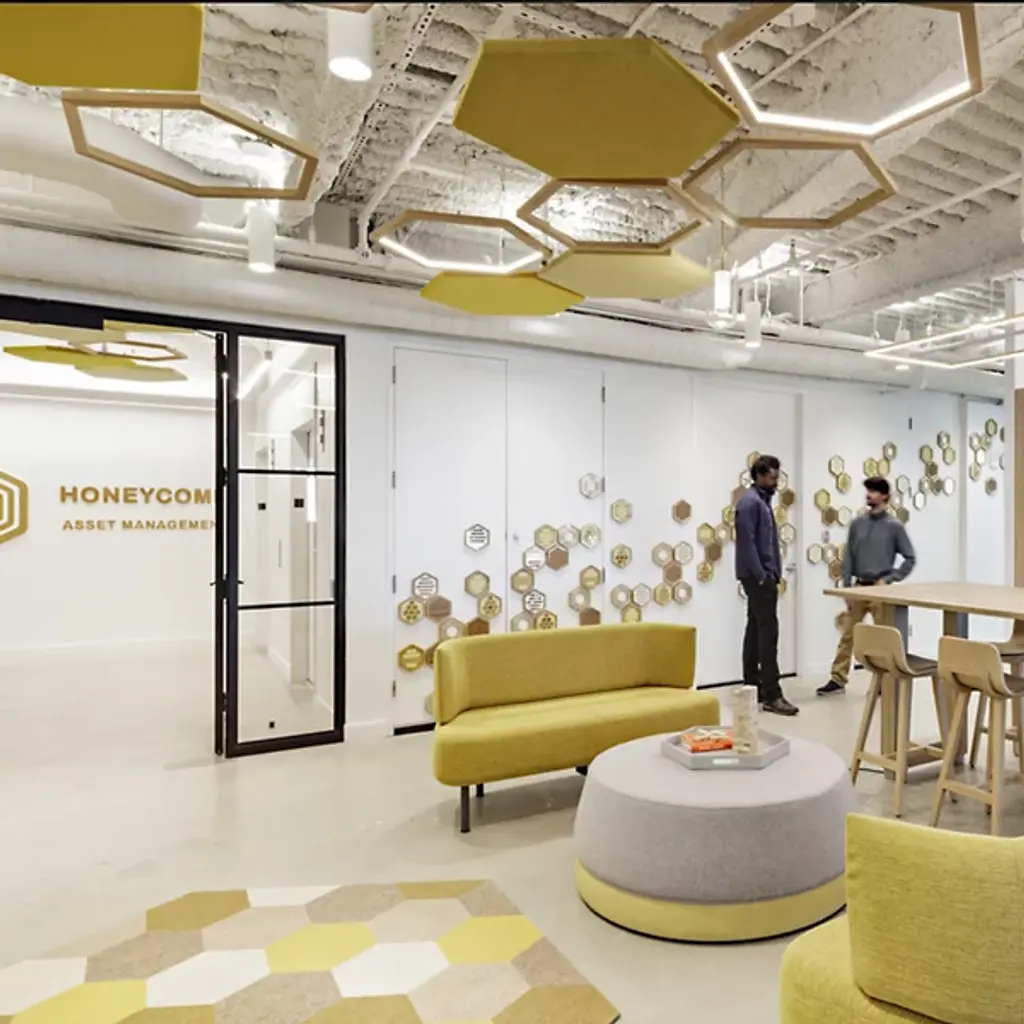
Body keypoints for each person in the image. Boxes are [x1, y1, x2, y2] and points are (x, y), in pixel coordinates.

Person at [817, 476, 917, 696]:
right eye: (868, 490)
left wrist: (889, 579)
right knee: (848, 635)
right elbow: (849, 558)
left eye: (873, 491)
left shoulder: (894, 527)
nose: (868, 495)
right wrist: (847, 588)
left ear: (885, 496)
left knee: (883, 638)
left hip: (881, 590)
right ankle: (837, 678)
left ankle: (883, 681)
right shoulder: (857, 524)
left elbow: (910, 558)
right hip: (859, 588)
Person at [735, 454, 798, 716]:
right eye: (772, 477)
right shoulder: (750, 503)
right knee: (768, 633)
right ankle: (772, 694)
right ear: (759, 476)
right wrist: (762, 576)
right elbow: (747, 545)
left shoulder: (761, 501)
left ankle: (753, 686)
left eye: (777, 477)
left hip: (762, 575)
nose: (776, 482)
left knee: (755, 628)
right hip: (758, 577)